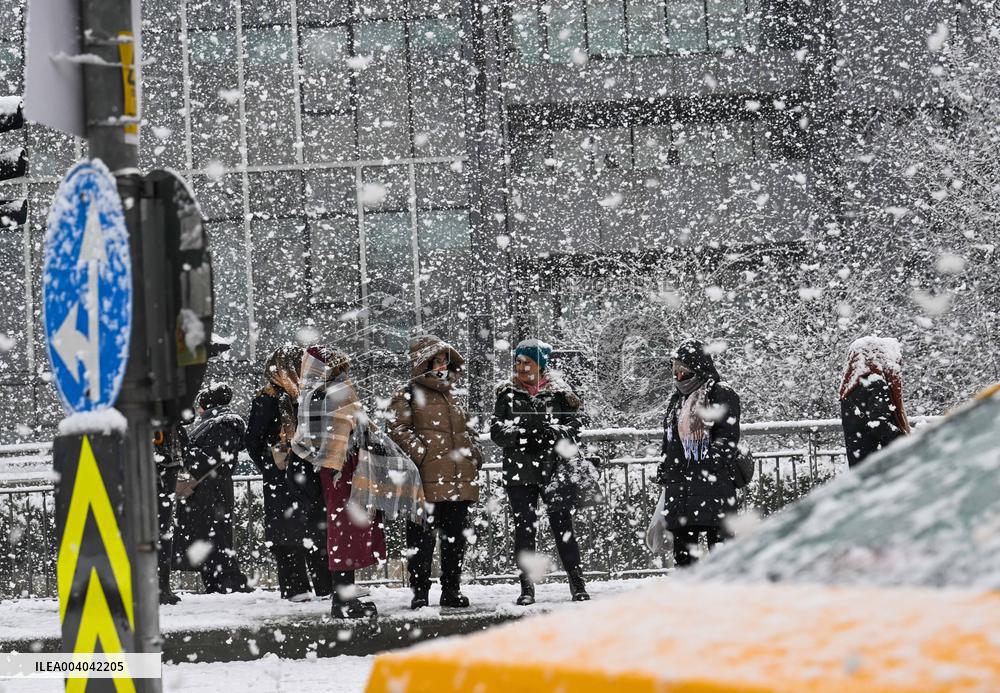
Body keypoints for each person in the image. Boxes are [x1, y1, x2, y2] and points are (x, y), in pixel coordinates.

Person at [490, 338, 589, 605]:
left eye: (527, 362)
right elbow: (497, 431)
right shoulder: (507, 394)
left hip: (554, 470)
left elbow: (574, 428)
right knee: (525, 530)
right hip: (520, 472)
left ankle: (577, 582)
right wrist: (523, 435)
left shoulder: (560, 394)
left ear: (540, 365)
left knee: (563, 527)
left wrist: (552, 434)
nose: (521, 367)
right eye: (518, 362)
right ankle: (527, 587)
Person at [388, 335, 483, 610]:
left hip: (457, 479)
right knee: (422, 540)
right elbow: (397, 430)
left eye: (445, 360)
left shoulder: (451, 394)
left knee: (455, 539)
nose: (442, 365)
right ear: (424, 362)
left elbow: (466, 430)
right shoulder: (407, 392)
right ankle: (420, 592)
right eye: (437, 360)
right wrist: (424, 454)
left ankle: (451, 590)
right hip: (425, 481)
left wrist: (474, 452)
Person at [292, 345, 385, 619]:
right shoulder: (334, 392)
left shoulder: (311, 393)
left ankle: (344, 596)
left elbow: (307, 438)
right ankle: (343, 601)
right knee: (344, 533)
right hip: (341, 470)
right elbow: (354, 429)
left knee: (342, 532)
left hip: (332, 470)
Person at [245, 345, 332, 602]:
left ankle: (320, 586)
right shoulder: (270, 398)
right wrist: (272, 462)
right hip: (285, 474)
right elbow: (253, 440)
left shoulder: (306, 395)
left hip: (302, 472)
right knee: (291, 532)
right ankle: (299, 587)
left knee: (312, 529)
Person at [655, 339, 741, 568]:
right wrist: (666, 466)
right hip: (681, 485)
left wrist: (710, 461)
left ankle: (724, 598)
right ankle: (689, 598)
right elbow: (670, 440)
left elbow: (728, 435)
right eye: (673, 367)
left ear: (697, 365)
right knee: (684, 556)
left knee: (722, 554)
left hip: (712, 482)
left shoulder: (720, 393)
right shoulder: (677, 399)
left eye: (681, 367)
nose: (676, 373)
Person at [172, 383, 253, 594]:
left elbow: (207, 461)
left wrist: (185, 446)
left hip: (211, 492)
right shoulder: (214, 424)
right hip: (210, 491)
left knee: (215, 537)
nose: (198, 409)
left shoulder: (221, 425)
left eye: (200, 404)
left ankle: (228, 583)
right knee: (212, 537)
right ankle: (219, 583)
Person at [839, 336, 911, 467]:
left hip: (859, 461)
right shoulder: (875, 383)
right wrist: (902, 439)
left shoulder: (850, 389)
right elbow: (878, 424)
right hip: (879, 461)